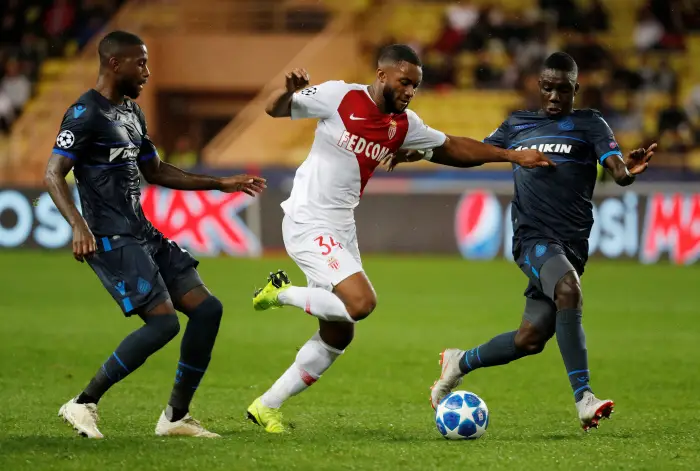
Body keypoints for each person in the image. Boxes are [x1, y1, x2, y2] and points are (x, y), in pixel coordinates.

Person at [246, 44, 553, 433]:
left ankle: (266, 405)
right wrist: (287, 92)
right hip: (308, 220)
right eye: (405, 82)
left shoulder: (404, 125)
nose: (410, 91)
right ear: (382, 76)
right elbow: (274, 108)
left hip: (340, 227)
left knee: (339, 331)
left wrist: (511, 155)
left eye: (416, 86)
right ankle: (279, 292)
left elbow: (452, 147)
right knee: (361, 302)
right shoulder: (340, 96)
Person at [390, 52, 656, 431]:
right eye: (546, 88)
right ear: (538, 86)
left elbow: (617, 171)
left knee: (530, 339)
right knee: (568, 290)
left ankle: (459, 362)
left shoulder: (590, 124)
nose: (552, 97)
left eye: (562, 90)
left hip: (572, 245)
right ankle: (584, 398)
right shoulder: (518, 123)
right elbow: (475, 153)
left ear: (575, 89)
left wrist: (629, 171)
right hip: (533, 239)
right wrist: (421, 153)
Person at [44, 31, 266, 439]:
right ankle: (82, 403)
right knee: (163, 325)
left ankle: (175, 417)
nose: (147, 72)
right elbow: (53, 173)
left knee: (207, 310)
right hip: (109, 237)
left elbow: (157, 170)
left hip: (142, 231)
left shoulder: (131, 113)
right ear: (115, 64)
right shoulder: (84, 112)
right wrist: (78, 225)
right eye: (140, 63)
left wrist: (220, 183)